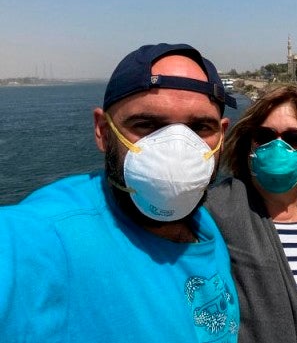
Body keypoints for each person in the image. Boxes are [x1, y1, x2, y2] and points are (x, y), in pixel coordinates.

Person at [0, 43, 241, 342]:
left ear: (221, 134)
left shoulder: (205, 226)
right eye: (146, 124)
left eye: (200, 127)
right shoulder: (45, 237)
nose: (177, 151)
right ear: (102, 130)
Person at [205, 85, 297, 343]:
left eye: (294, 138)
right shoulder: (214, 212)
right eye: (264, 136)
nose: (277, 146)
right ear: (248, 143)